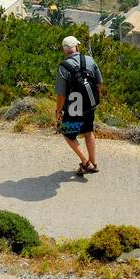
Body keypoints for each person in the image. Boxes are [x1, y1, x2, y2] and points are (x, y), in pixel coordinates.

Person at [55, 35, 102, 175]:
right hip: (90, 104)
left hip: (75, 107)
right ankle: (93, 162)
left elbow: (61, 94)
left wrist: (58, 111)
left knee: (68, 134)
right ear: (77, 46)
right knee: (88, 131)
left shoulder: (63, 67)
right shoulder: (89, 59)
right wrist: (95, 97)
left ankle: (86, 163)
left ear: (64, 50)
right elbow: (99, 83)